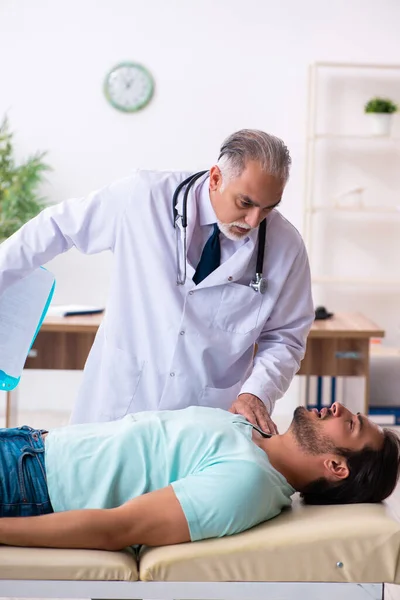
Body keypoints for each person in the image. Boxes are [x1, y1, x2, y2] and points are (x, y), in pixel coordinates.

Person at [0, 129, 314, 433]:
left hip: (204, 420)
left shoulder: (286, 246)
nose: (254, 221)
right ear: (216, 178)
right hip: (118, 405)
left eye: (268, 208)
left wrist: (256, 392)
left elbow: (286, 337)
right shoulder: (143, 197)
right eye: (245, 203)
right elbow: (54, 227)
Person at [0, 402, 399, 550]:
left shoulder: (245, 484)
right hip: (27, 445)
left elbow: (118, 528)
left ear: (335, 467)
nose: (338, 406)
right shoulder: (251, 432)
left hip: (26, 483)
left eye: (350, 424)